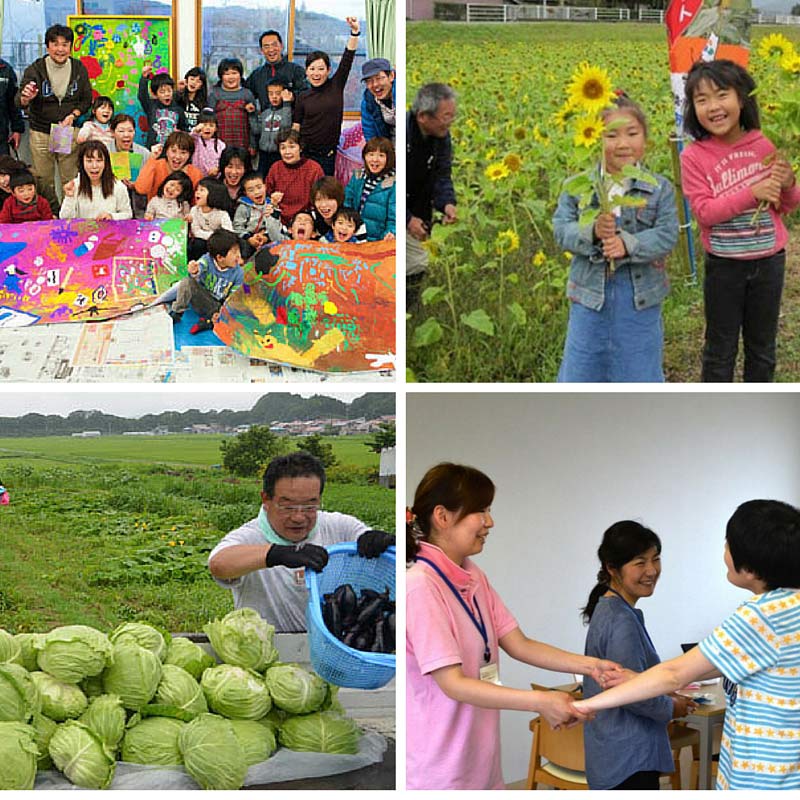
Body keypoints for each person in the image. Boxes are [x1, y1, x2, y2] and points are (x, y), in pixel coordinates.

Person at [406, 462, 622, 790]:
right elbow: (453, 683)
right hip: (439, 772)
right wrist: (540, 701)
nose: (489, 522)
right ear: (443, 516)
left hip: (481, 761)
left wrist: (591, 666)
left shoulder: (473, 575)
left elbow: (519, 644)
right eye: (481, 511)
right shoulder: (421, 587)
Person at [573, 499, 800, 790]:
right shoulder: (788, 607)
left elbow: (675, 673)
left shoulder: (761, 615)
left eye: (728, 544)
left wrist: (585, 706)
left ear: (751, 560)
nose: (652, 570)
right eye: (640, 562)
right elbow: (690, 670)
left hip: (763, 778)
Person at [680, 59, 800, 383]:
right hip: (724, 265)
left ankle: (755, 412)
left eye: (722, 95)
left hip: (769, 262)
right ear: (692, 108)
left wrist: (788, 184)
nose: (713, 107)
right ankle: (716, 415)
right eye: (701, 99)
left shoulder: (766, 142)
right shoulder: (694, 156)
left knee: (762, 347)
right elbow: (704, 213)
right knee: (720, 348)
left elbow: (786, 206)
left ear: (742, 97)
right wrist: (751, 192)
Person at [553, 95, 679, 383]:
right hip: (589, 296)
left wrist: (628, 244)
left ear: (645, 139)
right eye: (611, 135)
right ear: (596, 139)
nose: (623, 144)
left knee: (638, 369)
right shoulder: (577, 186)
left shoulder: (657, 188)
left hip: (639, 298)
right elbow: (561, 229)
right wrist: (592, 231)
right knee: (583, 366)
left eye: (632, 133)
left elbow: (667, 233)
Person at [208, 452, 395, 631]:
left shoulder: (339, 526)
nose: (298, 517)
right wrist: (276, 554)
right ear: (266, 499)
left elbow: (367, 538)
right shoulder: (249, 536)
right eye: (287, 506)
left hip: (333, 647)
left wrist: (377, 541)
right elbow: (219, 564)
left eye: (309, 506)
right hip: (273, 650)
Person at [581, 521, 698, 790]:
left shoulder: (609, 608)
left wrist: (665, 694)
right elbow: (632, 693)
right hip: (629, 756)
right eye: (639, 562)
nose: (652, 570)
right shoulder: (621, 620)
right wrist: (672, 707)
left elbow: (634, 678)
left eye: (655, 559)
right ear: (612, 568)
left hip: (609, 750)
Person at [15, 24, 92, 213]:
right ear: (48, 46)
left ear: (71, 47)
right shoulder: (36, 69)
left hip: (66, 131)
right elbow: (19, 100)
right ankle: (49, 217)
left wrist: (73, 115)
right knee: (43, 181)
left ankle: (70, 218)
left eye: (65, 44)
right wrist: (26, 97)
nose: (60, 49)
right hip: (40, 132)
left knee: (70, 179)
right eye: (55, 44)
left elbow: (86, 99)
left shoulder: (78, 68)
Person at [406, 83, 457, 307]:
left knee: (418, 262)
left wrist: (447, 203)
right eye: (446, 116)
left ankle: (409, 310)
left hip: (420, 205)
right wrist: (407, 219)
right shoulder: (403, 135)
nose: (451, 121)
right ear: (423, 116)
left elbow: (442, 175)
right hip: (398, 207)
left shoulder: (441, 136)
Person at [292, 16, 361, 176]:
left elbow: (348, 57)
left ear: (328, 70)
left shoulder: (336, 85)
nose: (316, 73)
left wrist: (355, 32)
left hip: (328, 156)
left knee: (325, 195)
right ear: (306, 71)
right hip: (305, 154)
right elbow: (296, 126)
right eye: (312, 69)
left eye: (321, 69)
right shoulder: (303, 96)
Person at [168, 228, 244, 334]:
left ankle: (209, 322)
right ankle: (177, 312)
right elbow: (200, 266)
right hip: (201, 299)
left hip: (217, 306)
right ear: (220, 257)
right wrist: (194, 269)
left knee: (235, 314)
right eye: (234, 252)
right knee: (186, 282)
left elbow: (232, 298)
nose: (238, 255)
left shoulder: (238, 273)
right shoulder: (207, 260)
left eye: (238, 251)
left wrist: (223, 312)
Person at [59, 140, 132, 221]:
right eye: (89, 161)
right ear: (82, 163)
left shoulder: (118, 186)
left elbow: (128, 214)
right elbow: (64, 218)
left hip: (110, 232)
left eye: (99, 161)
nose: (94, 166)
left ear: (106, 163)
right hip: (83, 232)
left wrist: (112, 216)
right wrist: (69, 197)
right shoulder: (75, 185)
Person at [265, 129, 323, 226]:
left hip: (305, 219)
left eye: (292, 147)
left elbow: (320, 198)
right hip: (279, 218)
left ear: (300, 148)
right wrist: (272, 200)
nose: (287, 152)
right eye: (283, 148)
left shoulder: (314, 169)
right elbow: (266, 193)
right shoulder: (275, 167)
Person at [245, 29, 308, 115]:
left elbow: (306, 94)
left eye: (274, 45)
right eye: (266, 46)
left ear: (281, 46)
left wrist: (292, 96)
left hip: (291, 123)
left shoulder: (296, 70)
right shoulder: (256, 75)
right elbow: (245, 93)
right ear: (261, 50)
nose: (271, 50)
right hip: (266, 124)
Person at [344, 136, 395, 241]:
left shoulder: (393, 183)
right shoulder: (358, 176)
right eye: (370, 154)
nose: (375, 159)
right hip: (353, 238)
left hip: (378, 241)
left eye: (381, 155)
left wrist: (391, 233)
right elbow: (346, 205)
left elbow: (394, 219)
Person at [133, 131, 202, 202]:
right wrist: (152, 159)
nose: (177, 156)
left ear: (190, 155)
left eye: (183, 153)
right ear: (166, 151)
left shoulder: (195, 174)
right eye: (173, 151)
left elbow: (197, 203)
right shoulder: (156, 165)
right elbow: (141, 189)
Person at [207, 59, 257, 153]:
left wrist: (253, 144)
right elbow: (209, 121)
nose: (231, 77)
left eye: (234, 73)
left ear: (240, 75)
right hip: (219, 144)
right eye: (226, 74)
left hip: (243, 143)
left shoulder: (247, 94)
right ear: (221, 76)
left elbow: (253, 122)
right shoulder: (214, 94)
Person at [108, 113, 152, 217]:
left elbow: (150, 182)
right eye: (121, 131)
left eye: (130, 131)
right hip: (112, 201)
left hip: (139, 201)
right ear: (112, 132)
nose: (126, 135)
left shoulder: (144, 153)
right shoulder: (105, 151)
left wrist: (138, 184)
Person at [233, 171, 282, 263]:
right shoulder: (243, 207)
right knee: (244, 248)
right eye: (251, 190)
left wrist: (265, 237)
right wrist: (249, 238)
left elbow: (276, 225)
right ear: (245, 193)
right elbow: (237, 227)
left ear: (265, 186)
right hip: (247, 238)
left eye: (259, 187)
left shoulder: (271, 204)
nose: (256, 192)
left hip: (265, 236)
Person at [253, 77, 293, 179]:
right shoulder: (265, 113)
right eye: (271, 93)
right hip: (263, 153)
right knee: (262, 178)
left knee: (277, 178)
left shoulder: (288, 111)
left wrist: (287, 104)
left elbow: (286, 126)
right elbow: (256, 130)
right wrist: (251, 115)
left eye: (278, 93)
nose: (274, 97)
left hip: (278, 153)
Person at [138, 66, 187, 148]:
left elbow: (183, 128)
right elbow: (142, 96)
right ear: (155, 94)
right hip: (154, 150)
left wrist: (180, 133)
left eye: (169, 90)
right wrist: (144, 78)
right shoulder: (151, 106)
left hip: (172, 150)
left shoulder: (178, 110)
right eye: (162, 92)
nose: (167, 94)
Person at [188, 177, 234, 260]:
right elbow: (196, 231)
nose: (197, 193)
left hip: (218, 243)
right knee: (198, 243)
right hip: (202, 242)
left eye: (202, 190)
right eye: (197, 190)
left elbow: (228, 232)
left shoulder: (222, 213)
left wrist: (216, 238)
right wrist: (213, 235)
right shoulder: (194, 210)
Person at [360, 58, 395, 144]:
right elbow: (370, 133)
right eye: (369, 81)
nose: (375, 84)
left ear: (391, 76)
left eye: (379, 78)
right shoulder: (368, 101)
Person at [0, 58, 24, 157]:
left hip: (1, 138)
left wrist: (17, 129)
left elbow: (13, 103)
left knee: (4, 169)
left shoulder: (5, 69)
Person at [190, 110, 225, 178]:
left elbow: (223, 161)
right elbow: (191, 137)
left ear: (216, 129)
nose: (208, 128)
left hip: (215, 178)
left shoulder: (221, 145)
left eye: (211, 125)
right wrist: (196, 130)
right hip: (197, 177)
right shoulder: (196, 140)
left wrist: (217, 169)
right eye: (204, 125)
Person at [218, 146, 252, 216]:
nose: (233, 172)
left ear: (245, 169)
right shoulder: (215, 188)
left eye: (238, 167)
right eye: (230, 167)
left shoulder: (251, 189)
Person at [176, 67, 208, 131]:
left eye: (198, 81)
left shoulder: (204, 103)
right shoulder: (177, 98)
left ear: (201, 86)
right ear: (186, 80)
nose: (194, 83)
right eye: (192, 79)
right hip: (181, 137)